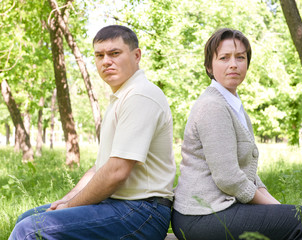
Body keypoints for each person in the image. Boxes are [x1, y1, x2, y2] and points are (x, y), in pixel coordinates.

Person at [9, 25, 176, 240]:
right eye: (99, 55)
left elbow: (116, 172)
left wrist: (70, 206)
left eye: (114, 53)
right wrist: (67, 200)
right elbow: (101, 167)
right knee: (26, 218)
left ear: (136, 55)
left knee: (31, 230)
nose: (106, 61)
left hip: (143, 212)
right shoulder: (121, 96)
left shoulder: (140, 95)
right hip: (119, 204)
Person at [171, 28, 302, 240]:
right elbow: (229, 179)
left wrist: (280, 208)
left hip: (217, 210)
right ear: (209, 66)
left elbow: (248, 175)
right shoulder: (213, 106)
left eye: (240, 57)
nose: (233, 64)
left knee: (295, 218)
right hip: (201, 215)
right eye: (224, 58)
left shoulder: (232, 104)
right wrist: (278, 210)